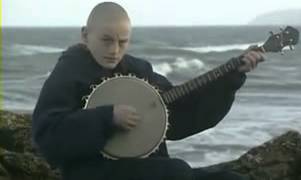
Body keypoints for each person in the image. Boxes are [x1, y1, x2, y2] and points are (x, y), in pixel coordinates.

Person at [32, 2, 264, 180]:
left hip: (144, 167)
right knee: (177, 171)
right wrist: (107, 117)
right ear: (85, 35)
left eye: (122, 42)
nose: (114, 50)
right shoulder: (70, 71)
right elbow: (47, 135)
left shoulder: (138, 70)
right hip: (91, 171)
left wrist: (232, 76)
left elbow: (180, 116)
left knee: (230, 178)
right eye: (106, 40)